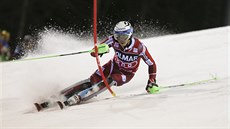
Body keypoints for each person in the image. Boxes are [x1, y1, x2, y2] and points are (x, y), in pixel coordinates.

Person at [35, 21, 159, 111]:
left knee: (111, 80)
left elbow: (151, 64)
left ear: (130, 35)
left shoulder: (139, 47)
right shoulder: (112, 40)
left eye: (124, 37)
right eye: (118, 37)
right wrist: (99, 51)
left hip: (126, 74)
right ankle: (58, 96)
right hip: (112, 66)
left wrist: (151, 81)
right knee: (91, 81)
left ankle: (79, 97)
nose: (121, 40)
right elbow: (94, 52)